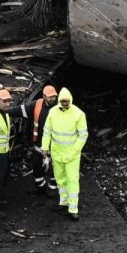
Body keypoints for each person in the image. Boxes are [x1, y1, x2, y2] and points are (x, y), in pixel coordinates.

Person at [40, 87, 88, 218]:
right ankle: (63, 201)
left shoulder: (78, 114)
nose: (65, 103)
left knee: (72, 180)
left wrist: (74, 150)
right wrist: (44, 148)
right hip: (57, 153)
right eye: (63, 101)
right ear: (59, 101)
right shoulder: (53, 112)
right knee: (60, 179)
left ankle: (73, 209)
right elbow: (47, 131)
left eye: (67, 101)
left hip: (72, 155)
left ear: (70, 100)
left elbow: (83, 135)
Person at [27, 84, 59, 194]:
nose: (53, 99)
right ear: (44, 96)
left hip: (55, 145)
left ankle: (53, 189)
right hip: (39, 144)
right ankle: (40, 186)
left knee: (55, 169)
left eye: (54, 96)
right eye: (50, 97)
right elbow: (23, 110)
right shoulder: (37, 105)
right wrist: (6, 111)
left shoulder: (60, 108)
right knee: (37, 166)